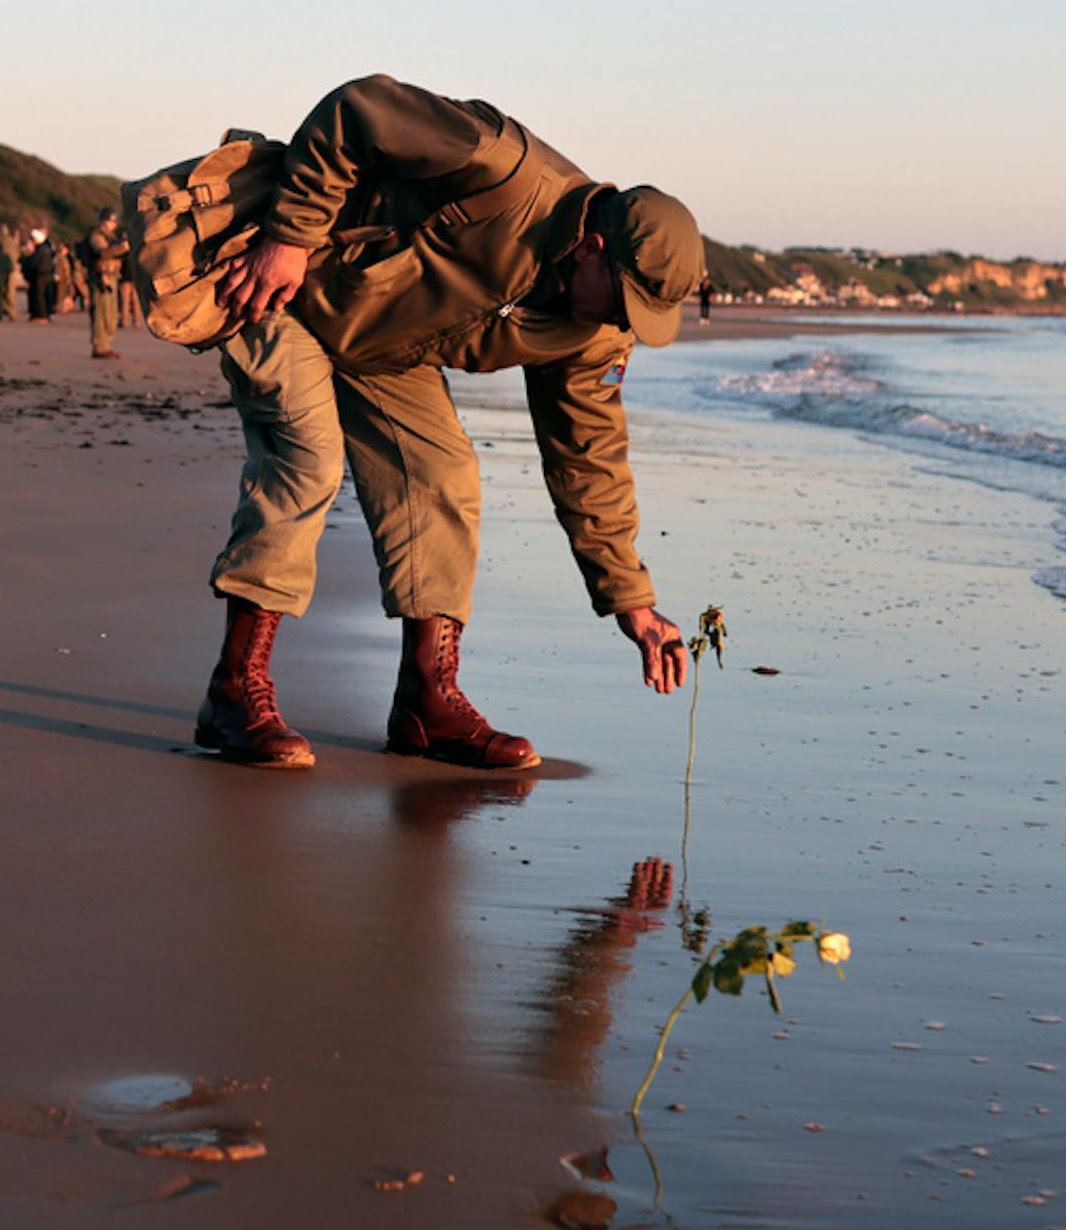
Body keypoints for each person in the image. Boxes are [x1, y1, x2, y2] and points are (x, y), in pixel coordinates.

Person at [193, 74, 704, 771]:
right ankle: (233, 692)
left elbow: (588, 459)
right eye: (624, 302)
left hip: (384, 347)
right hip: (284, 283)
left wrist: (632, 601)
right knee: (310, 455)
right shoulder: (499, 163)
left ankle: (426, 704)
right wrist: (290, 234)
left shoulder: (592, 332)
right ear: (591, 248)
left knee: (444, 476)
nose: (624, 324)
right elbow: (357, 109)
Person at [85, 207, 128, 358]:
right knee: (100, 312)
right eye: (112, 221)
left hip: (112, 276)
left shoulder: (110, 236)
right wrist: (121, 248)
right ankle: (99, 346)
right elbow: (102, 253)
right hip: (100, 277)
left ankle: (106, 344)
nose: (114, 224)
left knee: (110, 312)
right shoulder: (96, 235)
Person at [21, 229, 58, 322]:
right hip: (47, 274)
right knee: (45, 295)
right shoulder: (46, 249)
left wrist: (26, 256)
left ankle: (41, 315)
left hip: (40, 275)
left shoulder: (39, 250)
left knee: (39, 295)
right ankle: (44, 314)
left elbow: (33, 262)